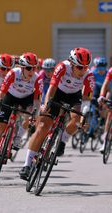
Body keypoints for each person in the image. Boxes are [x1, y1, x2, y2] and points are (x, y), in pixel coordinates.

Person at [19, 47, 95, 180]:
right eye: (79, 67)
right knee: (42, 127)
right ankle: (27, 164)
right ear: (72, 63)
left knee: (77, 120)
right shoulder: (62, 67)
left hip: (74, 96)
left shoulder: (89, 75)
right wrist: (47, 104)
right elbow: (52, 88)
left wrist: (85, 114)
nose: (83, 70)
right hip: (57, 93)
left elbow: (86, 99)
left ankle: (63, 139)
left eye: (85, 67)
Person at [0, 52, 42, 174]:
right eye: (29, 68)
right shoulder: (13, 73)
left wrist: (35, 114)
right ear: (22, 67)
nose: (32, 71)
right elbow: (1, 93)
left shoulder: (36, 78)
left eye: (34, 68)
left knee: (30, 114)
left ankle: (19, 136)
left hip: (27, 98)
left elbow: (37, 100)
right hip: (10, 96)